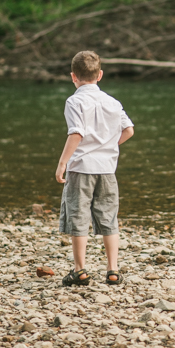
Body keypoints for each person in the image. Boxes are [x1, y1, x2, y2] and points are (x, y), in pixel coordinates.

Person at [56, 50, 135, 287]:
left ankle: (80, 270)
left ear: (73, 77)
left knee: (78, 218)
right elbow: (129, 130)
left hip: (81, 167)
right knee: (109, 217)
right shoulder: (112, 101)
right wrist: (108, 145)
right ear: (100, 75)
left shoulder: (74, 100)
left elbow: (76, 133)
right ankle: (113, 270)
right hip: (107, 169)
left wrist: (62, 163)